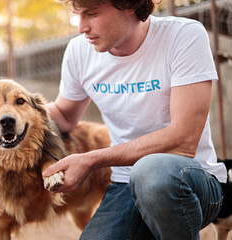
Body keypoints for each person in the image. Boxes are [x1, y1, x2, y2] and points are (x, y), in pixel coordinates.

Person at [42, 0, 228, 239]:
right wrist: (13, 113)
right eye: (78, 15)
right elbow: (65, 116)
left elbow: (184, 140)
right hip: (124, 185)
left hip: (191, 180)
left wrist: (89, 160)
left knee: (152, 172)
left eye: (91, 14)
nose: (81, 27)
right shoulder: (79, 52)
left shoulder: (183, 35)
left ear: (128, 4)